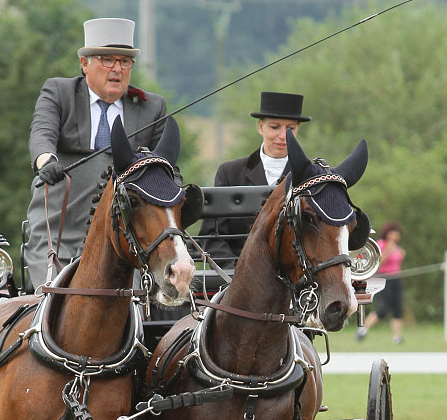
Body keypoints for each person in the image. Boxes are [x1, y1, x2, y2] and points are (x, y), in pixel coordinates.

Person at [25, 17, 175, 289]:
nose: (117, 69)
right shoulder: (59, 93)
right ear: (84, 63)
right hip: (62, 231)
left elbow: (162, 171)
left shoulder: (152, 107)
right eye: (107, 60)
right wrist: (46, 160)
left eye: (125, 61)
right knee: (53, 301)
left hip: (124, 238)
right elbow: (42, 134)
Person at [198, 91, 311, 268]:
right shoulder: (229, 173)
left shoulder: (310, 176)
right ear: (260, 127)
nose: (283, 136)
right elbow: (213, 238)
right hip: (238, 279)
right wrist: (237, 274)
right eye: (275, 127)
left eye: (290, 129)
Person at [357, 222, 406, 344]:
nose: (396, 235)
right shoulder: (381, 244)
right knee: (383, 308)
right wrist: (388, 249)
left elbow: (401, 257)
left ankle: (397, 337)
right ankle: (363, 329)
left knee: (397, 308)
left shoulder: (396, 246)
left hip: (396, 279)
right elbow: (379, 262)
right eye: (394, 233)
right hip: (384, 279)